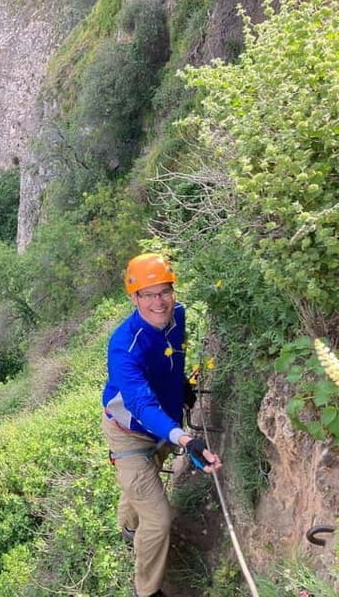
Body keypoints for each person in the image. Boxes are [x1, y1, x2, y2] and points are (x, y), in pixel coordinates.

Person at [101, 253, 222, 597]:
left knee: (141, 485)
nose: (159, 301)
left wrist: (179, 385)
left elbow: (172, 357)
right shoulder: (124, 346)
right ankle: (148, 591)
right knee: (158, 519)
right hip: (130, 434)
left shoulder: (177, 316)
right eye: (148, 294)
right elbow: (139, 403)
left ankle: (128, 528)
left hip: (164, 423)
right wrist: (183, 438)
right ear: (134, 298)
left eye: (164, 291)